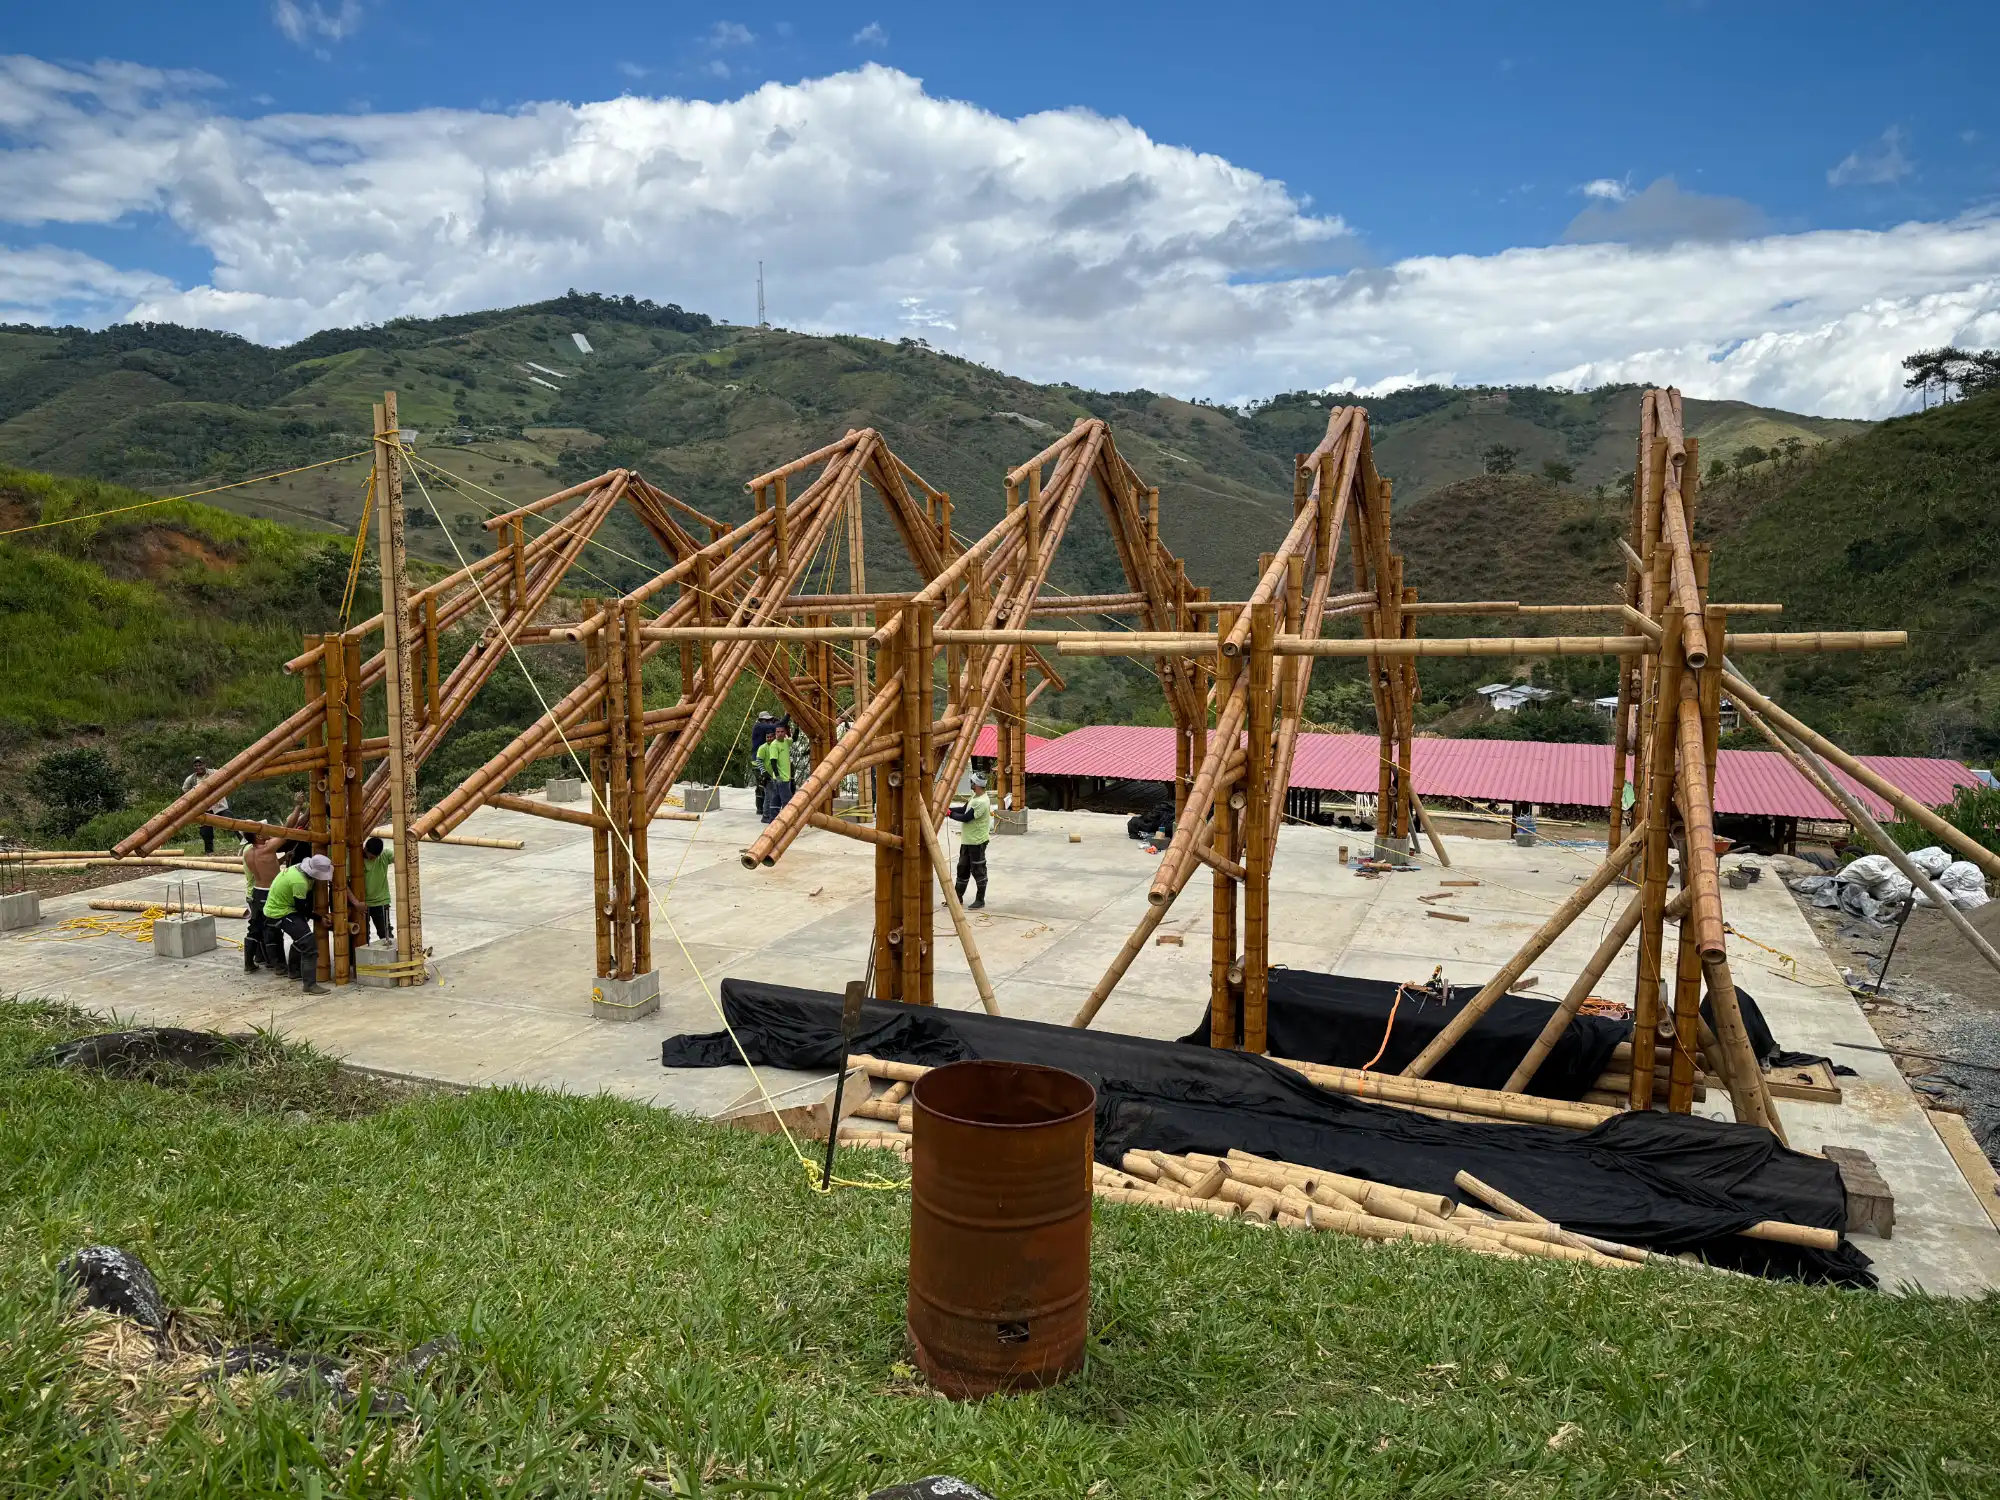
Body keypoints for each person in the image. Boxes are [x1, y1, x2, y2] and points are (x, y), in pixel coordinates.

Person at [264, 853, 333, 995]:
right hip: (280, 913)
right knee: (309, 944)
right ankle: (310, 985)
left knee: (302, 938)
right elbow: (302, 909)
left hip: (285, 909)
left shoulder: (298, 869)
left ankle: (294, 972)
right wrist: (320, 918)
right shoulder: (299, 882)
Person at [241, 829, 288, 974]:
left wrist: (284, 858)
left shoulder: (248, 852)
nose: (267, 830)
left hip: (257, 891)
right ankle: (279, 966)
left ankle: (249, 964)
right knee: (273, 929)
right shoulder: (268, 848)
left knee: (255, 928)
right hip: (270, 893)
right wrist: (298, 808)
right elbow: (286, 830)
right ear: (259, 835)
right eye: (262, 829)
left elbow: (266, 865)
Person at [947, 771, 993, 910]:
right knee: (962, 868)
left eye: (972, 782)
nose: (970, 784)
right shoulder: (974, 796)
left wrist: (949, 814)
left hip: (977, 842)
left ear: (976, 785)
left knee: (978, 870)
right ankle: (957, 897)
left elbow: (967, 817)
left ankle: (980, 900)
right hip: (967, 841)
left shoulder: (982, 801)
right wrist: (947, 809)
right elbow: (963, 809)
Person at [182, 758, 229, 855]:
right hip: (204, 808)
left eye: (200, 765)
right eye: (196, 765)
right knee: (206, 831)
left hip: (218, 805)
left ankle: (246, 841)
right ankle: (209, 851)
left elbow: (226, 775)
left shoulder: (214, 773)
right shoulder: (191, 779)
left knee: (232, 821)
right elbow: (185, 790)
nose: (198, 767)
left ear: (205, 765)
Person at [356, 836, 393, 942]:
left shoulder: (384, 855)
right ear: (365, 849)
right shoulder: (356, 858)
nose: (374, 859)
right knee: (363, 936)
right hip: (363, 904)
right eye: (371, 857)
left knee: (385, 933)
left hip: (381, 901)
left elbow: (400, 856)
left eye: (376, 857)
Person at [754, 722, 793, 823]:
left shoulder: (784, 742)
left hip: (776, 776)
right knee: (775, 797)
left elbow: (793, 738)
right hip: (773, 776)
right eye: (768, 737)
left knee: (774, 798)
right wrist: (765, 773)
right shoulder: (768, 747)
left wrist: (795, 727)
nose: (769, 738)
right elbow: (765, 761)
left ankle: (772, 818)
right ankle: (770, 817)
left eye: (781, 732)